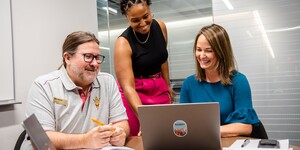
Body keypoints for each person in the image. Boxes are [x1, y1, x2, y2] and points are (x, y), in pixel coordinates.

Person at [21, 31, 129, 149]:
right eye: (88, 56)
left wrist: (120, 133)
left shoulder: (107, 82)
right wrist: (85, 140)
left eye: (97, 57)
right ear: (67, 58)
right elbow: (42, 139)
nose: (94, 63)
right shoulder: (43, 86)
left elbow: (122, 123)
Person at [180, 24, 260, 137]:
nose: (202, 56)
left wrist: (208, 131)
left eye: (208, 50)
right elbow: (182, 124)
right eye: (198, 50)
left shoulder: (239, 81)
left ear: (221, 52)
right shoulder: (189, 84)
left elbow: (245, 127)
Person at [114, 0, 174, 136]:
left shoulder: (161, 26)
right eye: (135, 20)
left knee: (165, 134)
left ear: (149, 9)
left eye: (146, 16)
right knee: (139, 138)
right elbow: (128, 87)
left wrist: (167, 85)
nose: (143, 24)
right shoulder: (123, 43)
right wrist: (144, 117)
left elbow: (162, 58)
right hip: (135, 91)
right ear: (127, 18)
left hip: (159, 86)